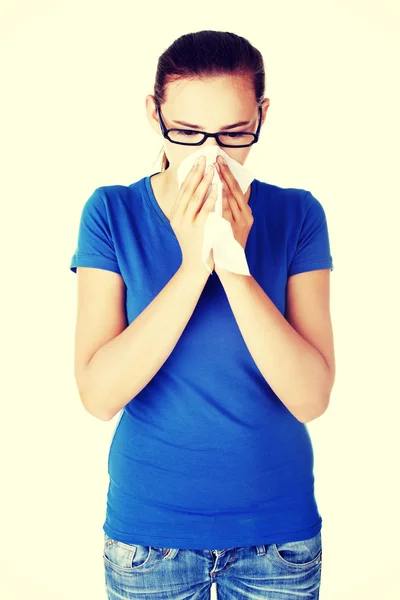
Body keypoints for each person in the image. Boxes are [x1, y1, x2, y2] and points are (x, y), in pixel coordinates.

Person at [70, 30, 335, 600]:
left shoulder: (297, 213)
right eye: (187, 134)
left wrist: (234, 267)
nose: (210, 155)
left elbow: (311, 397)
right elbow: (98, 395)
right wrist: (194, 266)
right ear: (153, 113)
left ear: (262, 115)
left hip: (278, 541)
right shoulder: (111, 212)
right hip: (150, 539)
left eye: (235, 134)